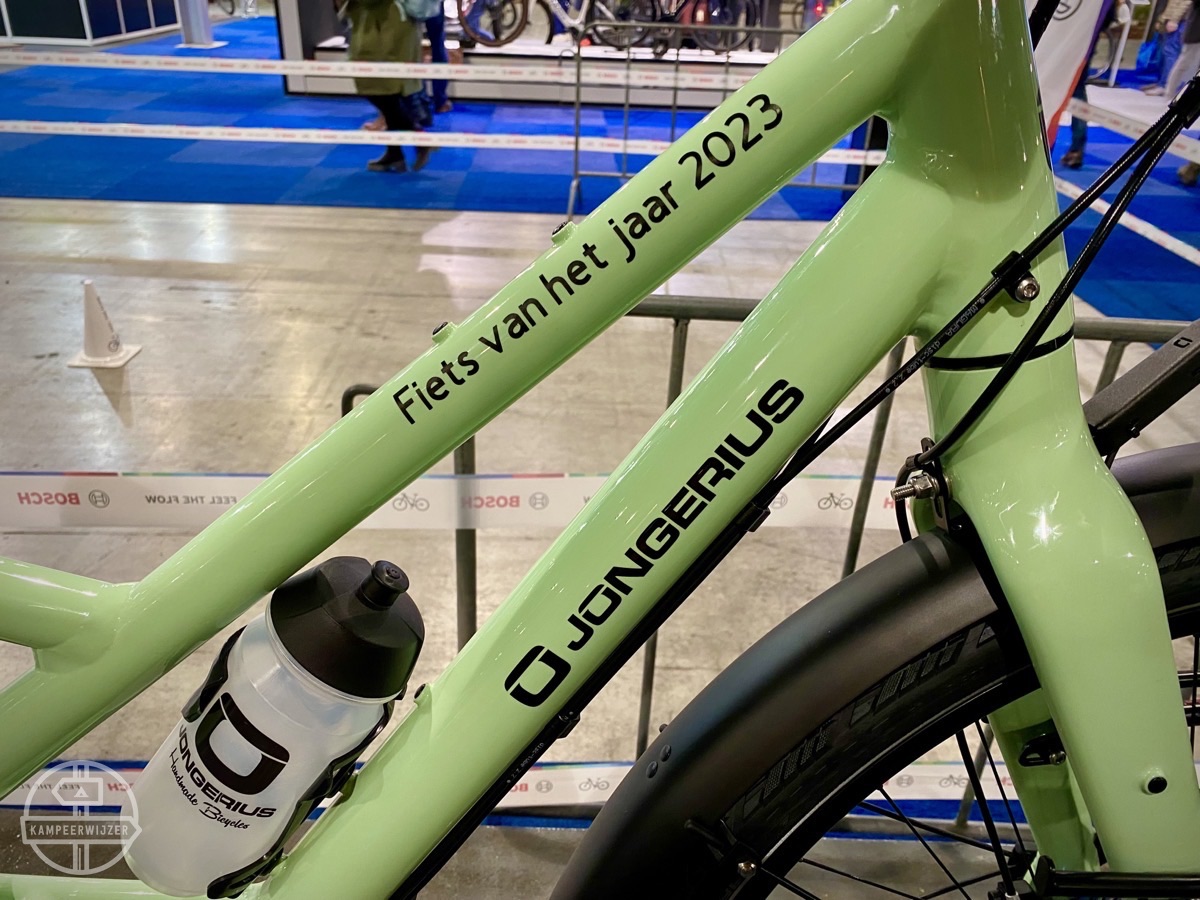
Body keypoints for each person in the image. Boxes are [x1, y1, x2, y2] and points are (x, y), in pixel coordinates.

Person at [345, 0, 433, 172]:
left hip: (387, 25)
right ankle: (398, 152)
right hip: (380, 22)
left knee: (382, 90)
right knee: (385, 93)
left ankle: (414, 141)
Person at [1062, 0, 1129, 169]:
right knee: (1077, 92)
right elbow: (1109, 18)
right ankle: (1076, 149)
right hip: (1081, 46)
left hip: (1073, 46)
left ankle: (1075, 148)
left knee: (1072, 91)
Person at [1142, 0, 1193, 95]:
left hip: (1179, 20)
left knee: (1170, 52)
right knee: (1167, 52)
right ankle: (1162, 82)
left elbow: (1185, 2)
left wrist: (1174, 20)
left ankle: (1165, 85)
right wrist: (1162, 19)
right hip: (1173, 19)